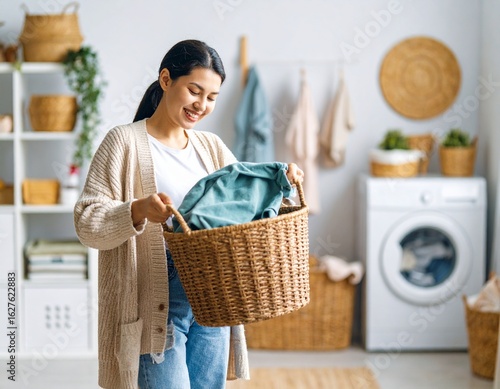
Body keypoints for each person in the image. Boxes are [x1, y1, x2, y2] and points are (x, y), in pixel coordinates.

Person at [74, 39, 304, 389]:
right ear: (166, 80)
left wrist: (282, 184)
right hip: (155, 300)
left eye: (211, 97)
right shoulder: (122, 142)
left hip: (212, 297)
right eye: (194, 91)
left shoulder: (210, 147)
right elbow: (87, 223)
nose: (202, 105)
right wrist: (138, 210)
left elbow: (246, 208)